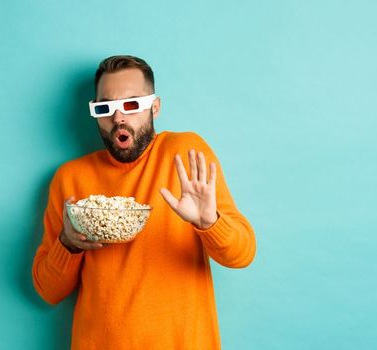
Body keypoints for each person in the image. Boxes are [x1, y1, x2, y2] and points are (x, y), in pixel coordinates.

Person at [31, 55, 256, 349]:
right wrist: (68, 244)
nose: (119, 118)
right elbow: (48, 291)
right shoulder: (70, 179)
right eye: (105, 108)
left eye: (132, 104)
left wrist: (208, 222)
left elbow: (242, 254)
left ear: (155, 107)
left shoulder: (185, 154)